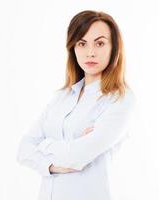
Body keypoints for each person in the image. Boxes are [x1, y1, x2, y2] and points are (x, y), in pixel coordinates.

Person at [17, 9, 136, 200]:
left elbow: (76, 158)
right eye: (82, 43)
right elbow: (23, 150)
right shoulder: (60, 98)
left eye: (100, 43)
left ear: (114, 47)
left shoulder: (120, 100)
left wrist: (45, 145)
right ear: (73, 48)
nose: (90, 52)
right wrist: (52, 166)